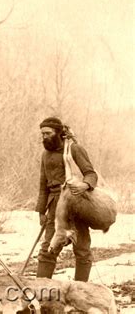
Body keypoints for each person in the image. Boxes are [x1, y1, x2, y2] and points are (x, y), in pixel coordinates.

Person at [35, 117, 97, 282]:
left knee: (81, 248)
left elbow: (91, 174)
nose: (44, 137)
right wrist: (41, 211)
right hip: (54, 206)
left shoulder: (74, 149)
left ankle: (80, 289)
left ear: (58, 132)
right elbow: (43, 185)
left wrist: (85, 185)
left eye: (48, 133)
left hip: (75, 204)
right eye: (42, 134)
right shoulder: (45, 155)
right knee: (48, 248)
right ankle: (41, 290)